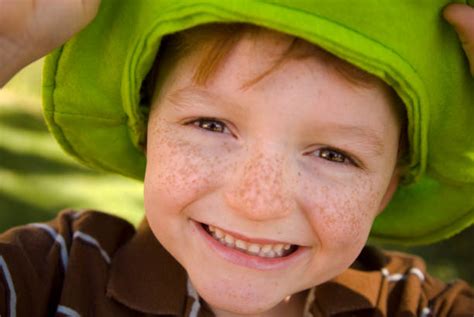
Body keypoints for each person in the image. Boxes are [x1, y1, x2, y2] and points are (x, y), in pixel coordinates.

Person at [1, 1, 473, 316]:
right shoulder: (51, 277)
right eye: (210, 125)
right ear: (146, 128)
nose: (258, 202)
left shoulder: (419, 308)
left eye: (334, 154)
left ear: (388, 186)